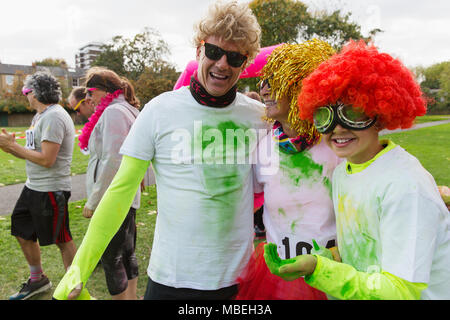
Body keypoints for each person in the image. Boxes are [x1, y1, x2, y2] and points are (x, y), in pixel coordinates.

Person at [53, 0, 264, 300]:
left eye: (234, 57)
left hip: (237, 281)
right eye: (214, 52)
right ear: (198, 50)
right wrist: (81, 265)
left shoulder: (259, 118)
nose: (222, 64)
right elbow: (120, 192)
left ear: (245, 63)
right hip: (171, 280)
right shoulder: (159, 111)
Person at [264, 40, 450, 299]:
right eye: (325, 116)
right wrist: (320, 258)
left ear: (381, 114)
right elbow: (358, 250)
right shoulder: (344, 172)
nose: (338, 128)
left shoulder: (406, 187)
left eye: (354, 113)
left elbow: (400, 291)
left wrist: (321, 269)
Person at [235, 40, 341, 300]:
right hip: (281, 276)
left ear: (301, 87)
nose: (265, 89)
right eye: (264, 81)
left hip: (334, 272)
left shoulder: (337, 143)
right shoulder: (262, 147)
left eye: (276, 81)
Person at [0, 72, 76, 300]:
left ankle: (74, 286)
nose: (25, 96)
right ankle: (38, 280)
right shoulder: (40, 116)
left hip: (51, 189)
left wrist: (13, 149)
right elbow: (36, 152)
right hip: (33, 186)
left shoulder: (54, 117)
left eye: (26, 92)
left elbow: (47, 159)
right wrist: (14, 145)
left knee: (62, 239)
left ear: (36, 93)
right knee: (22, 230)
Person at [78, 67, 141, 300]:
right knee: (127, 253)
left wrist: (94, 200)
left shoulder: (114, 112)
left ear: (105, 91)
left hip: (112, 198)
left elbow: (113, 159)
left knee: (111, 257)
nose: (87, 99)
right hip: (124, 195)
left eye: (90, 92)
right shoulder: (127, 109)